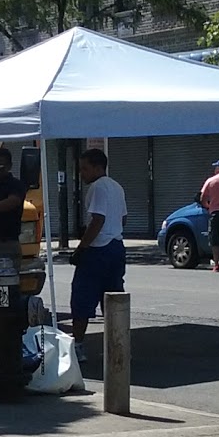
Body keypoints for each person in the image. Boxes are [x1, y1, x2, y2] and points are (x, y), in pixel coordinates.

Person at [69, 148, 128, 363]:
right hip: (116, 246)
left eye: (85, 168)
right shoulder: (117, 187)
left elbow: (98, 220)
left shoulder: (97, 188)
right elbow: (123, 219)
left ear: (97, 167)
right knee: (112, 297)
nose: (82, 173)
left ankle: (77, 345)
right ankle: (118, 344)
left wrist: (82, 248)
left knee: (82, 296)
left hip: (98, 249)